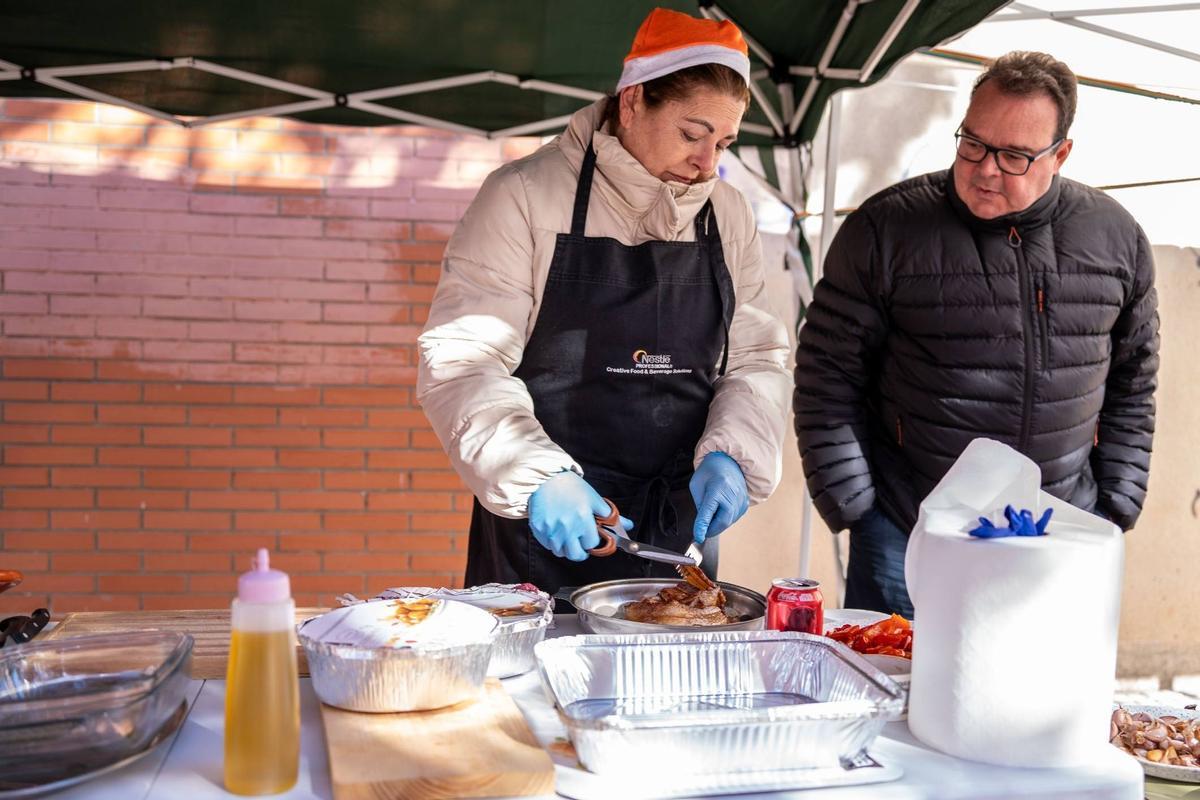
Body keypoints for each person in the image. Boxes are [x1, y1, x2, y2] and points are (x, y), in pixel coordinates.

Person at [417, 8, 790, 593]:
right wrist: (535, 477)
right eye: (692, 134)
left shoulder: (728, 215)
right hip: (545, 526)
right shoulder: (524, 196)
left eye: (723, 142)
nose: (708, 162)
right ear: (634, 101)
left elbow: (755, 358)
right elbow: (465, 362)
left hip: (678, 532)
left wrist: (735, 454)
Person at [794, 51, 1160, 618]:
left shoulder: (1117, 238)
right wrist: (854, 503)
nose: (986, 169)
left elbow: (1135, 382)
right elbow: (826, 374)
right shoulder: (884, 229)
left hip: (1061, 531)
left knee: (1042, 677)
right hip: (909, 529)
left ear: (1060, 154)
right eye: (973, 143)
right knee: (897, 675)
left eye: (1014, 156)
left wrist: (1116, 503)